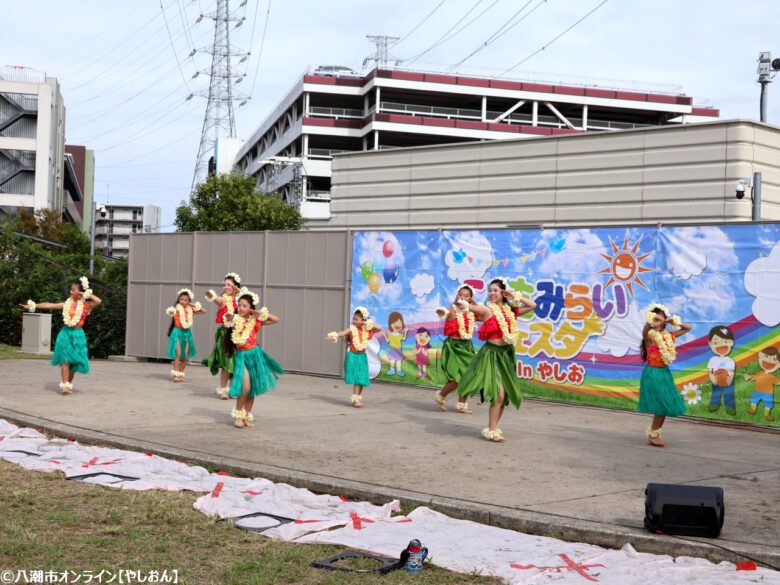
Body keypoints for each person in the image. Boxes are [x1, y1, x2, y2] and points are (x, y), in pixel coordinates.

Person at [457, 278, 536, 442]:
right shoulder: (487, 310)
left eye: (495, 290)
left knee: (504, 396)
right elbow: (472, 307)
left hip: (506, 355)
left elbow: (531, 305)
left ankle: (492, 427)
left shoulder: (510, 311)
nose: (491, 293)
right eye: (490, 290)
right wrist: (466, 304)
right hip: (491, 355)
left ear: (503, 293)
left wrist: (515, 296)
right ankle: (492, 430)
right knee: (498, 394)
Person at [20, 276, 102, 395]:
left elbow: (98, 301)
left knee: (73, 362)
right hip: (65, 334)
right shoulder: (66, 304)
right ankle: (64, 386)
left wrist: (85, 293)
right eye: (71, 289)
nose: (71, 291)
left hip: (78, 335)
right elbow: (50, 305)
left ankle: (68, 385)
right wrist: (33, 306)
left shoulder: (86, 305)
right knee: (65, 360)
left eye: (73, 289)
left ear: (79, 292)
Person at [222, 289, 283, 428]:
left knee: (252, 389)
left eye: (244, 305)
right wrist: (231, 315)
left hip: (255, 356)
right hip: (241, 357)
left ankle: (246, 416)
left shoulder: (254, 321)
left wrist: (258, 314)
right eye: (240, 305)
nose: (241, 308)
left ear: (251, 308)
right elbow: (228, 317)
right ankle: (238, 414)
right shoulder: (234, 320)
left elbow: (276, 319)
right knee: (246, 387)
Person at [638, 303, 690, 447]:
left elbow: (687, 328)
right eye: (656, 320)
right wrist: (653, 321)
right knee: (662, 405)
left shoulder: (669, 336)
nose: (659, 323)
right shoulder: (650, 337)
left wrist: (674, 322)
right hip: (653, 374)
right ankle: (653, 436)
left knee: (664, 406)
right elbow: (645, 331)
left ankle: (654, 434)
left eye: (662, 320)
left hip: (664, 373)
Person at [327, 306, 383, 408]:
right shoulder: (352, 329)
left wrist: (369, 323)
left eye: (356, 319)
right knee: (357, 379)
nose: (354, 321)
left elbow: (379, 328)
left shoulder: (367, 331)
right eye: (353, 319)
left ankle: (356, 398)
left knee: (362, 380)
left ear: (363, 320)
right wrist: (334, 335)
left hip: (362, 357)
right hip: (353, 356)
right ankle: (355, 400)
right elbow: (343, 333)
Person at [434, 285, 477, 414]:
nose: (462, 297)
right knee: (457, 378)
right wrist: (442, 312)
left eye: (466, 296)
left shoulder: (471, 312)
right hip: (453, 346)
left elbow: (483, 312)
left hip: (466, 346)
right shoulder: (451, 310)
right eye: (460, 294)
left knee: (468, 376)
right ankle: (441, 396)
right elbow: (444, 312)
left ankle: (462, 404)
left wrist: (473, 303)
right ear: (457, 296)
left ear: (470, 299)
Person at [203, 272, 241, 399]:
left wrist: (238, 292)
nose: (226, 287)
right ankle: (224, 390)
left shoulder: (241, 300)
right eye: (224, 285)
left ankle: (234, 388)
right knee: (227, 363)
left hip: (240, 334)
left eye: (229, 284)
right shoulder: (224, 300)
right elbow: (217, 299)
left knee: (236, 363)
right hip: (226, 334)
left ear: (236, 286)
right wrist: (211, 295)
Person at [164, 288, 206, 382]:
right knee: (178, 354)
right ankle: (175, 374)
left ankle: (181, 374)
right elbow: (170, 312)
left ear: (189, 301)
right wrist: (172, 312)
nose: (183, 301)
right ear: (178, 300)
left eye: (185, 300)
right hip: (177, 332)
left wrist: (193, 305)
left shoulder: (190, 310)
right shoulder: (176, 309)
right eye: (181, 299)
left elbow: (204, 311)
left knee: (185, 356)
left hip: (186, 333)